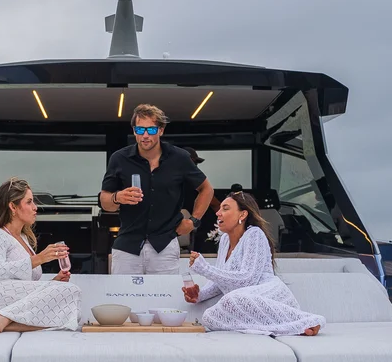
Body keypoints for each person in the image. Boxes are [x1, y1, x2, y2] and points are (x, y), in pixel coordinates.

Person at [184, 191, 322, 336]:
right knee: (209, 317)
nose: (218, 213)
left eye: (225, 208)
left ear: (242, 215)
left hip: (268, 295)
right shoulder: (224, 240)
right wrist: (199, 295)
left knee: (231, 298)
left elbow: (247, 280)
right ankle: (270, 329)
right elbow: (220, 281)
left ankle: (306, 320)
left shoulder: (254, 234)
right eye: (219, 209)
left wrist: (205, 269)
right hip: (243, 299)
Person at [99, 104, 214, 275]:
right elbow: (105, 201)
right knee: (122, 299)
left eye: (151, 130)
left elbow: (206, 189)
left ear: (161, 130)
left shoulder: (179, 158)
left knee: (165, 299)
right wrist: (117, 197)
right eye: (140, 130)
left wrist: (193, 222)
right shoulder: (119, 158)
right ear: (134, 130)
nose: (145, 135)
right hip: (127, 246)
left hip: (165, 246)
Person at [0, 178, 82, 333]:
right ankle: (5, 316)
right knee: (72, 292)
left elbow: (28, 286)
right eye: (29, 202)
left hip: (15, 300)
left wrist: (54, 282)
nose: (35, 208)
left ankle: (7, 320)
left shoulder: (24, 239)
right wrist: (38, 259)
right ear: (13, 206)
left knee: (72, 300)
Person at [181, 147, 222, 254]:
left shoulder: (171, 181)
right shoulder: (196, 182)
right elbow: (215, 204)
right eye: (194, 163)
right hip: (202, 227)